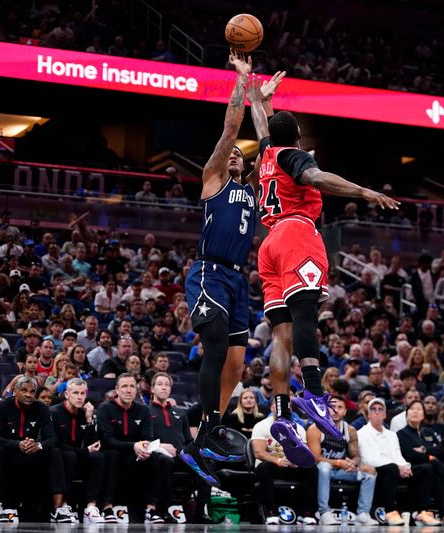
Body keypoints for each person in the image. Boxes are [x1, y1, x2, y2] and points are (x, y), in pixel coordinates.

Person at [247, 74, 399, 467]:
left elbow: (264, 129)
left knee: (282, 335)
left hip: (268, 246)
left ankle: (281, 413)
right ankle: (314, 393)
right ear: (297, 137)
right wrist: (364, 191)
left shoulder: (266, 155)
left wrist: (258, 97)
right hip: (298, 235)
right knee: (306, 317)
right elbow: (316, 178)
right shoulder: (294, 156)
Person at [180, 54, 281, 483]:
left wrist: (264, 101)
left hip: (239, 280)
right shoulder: (212, 180)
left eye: (243, 155)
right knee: (216, 342)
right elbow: (229, 129)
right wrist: (242, 83)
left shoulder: (253, 189)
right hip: (209, 272)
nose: (236, 156)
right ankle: (206, 428)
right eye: (232, 155)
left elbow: (272, 146)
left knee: (237, 366)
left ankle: (209, 430)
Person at [0, 375, 69, 523]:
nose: (28, 394)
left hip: (31, 453)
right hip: (9, 452)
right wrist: (17, 444)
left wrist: (38, 446)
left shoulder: (42, 408)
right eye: (24, 390)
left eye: (32, 392)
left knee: (55, 452)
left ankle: (58, 508)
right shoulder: (2, 406)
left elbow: (52, 438)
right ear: (15, 391)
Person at [96, 373, 166, 523]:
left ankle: (151, 509)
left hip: (136, 454)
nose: (128, 390)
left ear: (136, 390)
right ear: (117, 389)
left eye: (132, 386)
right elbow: (107, 441)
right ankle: (107, 507)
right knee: (112, 454)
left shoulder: (144, 410)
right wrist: (133, 446)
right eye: (124, 386)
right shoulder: (105, 408)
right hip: (113, 452)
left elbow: (147, 437)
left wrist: (144, 448)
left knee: (153, 457)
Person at [356, 398, 436, 526]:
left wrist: (405, 467)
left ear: (385, 414)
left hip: (394, 471)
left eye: (380, 409)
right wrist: (398, 467)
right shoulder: (361, 434)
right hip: (375, 472)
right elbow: (369, 459)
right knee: (391, 467)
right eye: (373, 409)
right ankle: (390, 511)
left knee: (426, 468)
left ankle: (422, 511)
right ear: (368, 414)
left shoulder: (391, 435)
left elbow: (398, 456)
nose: (377, 412)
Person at [149, 372, 212, 523]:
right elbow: (143, 439)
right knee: (166, 461)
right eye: (160, 384)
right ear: (152, 389)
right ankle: (162, 510)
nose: (164, 387)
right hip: (157, 456)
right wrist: (160, 446)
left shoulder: (180, 413)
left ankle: (199, 513)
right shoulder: (145, 411)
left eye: (167, 385)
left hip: (180, 456)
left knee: (207, 463)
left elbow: (189, 440)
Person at [307, 396, 377, 525]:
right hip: (319, 471)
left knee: (370, 473)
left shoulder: (350, 430)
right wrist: (339, 463)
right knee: (324, 467)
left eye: (340, 407)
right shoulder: (315, 429)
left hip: (341, 471)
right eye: (332, 407)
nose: (336, 410)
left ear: (345, 411)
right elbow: (315, 458)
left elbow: (356, 456)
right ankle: (324, 512)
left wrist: (352, 463)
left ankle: (363, 513)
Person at [251, 402, 318, 525]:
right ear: (272, 408)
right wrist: (278, 461)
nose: (282, 408)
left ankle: (306, 513)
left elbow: (304, 452)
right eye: (278, 404)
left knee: (312, 469)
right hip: (272, 465)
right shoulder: (262, 426)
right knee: (263, 467)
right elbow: (258, 452)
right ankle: (271, 511)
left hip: (292, 466)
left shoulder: (299, 428)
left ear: (290, 409)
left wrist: (297, 461)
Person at [50, 378, 105, 524]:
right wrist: (85, 451)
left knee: (98, 457)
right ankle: (64, 505)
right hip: (59, 459)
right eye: (75, 393)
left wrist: (89, 420)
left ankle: (91, 507)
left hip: (80, 455)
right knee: (68, 456)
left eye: (82, 393)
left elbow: (94, 445)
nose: (80, 397)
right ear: (67, 394)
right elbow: (56, 444)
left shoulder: (85, 413)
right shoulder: (54, 412)